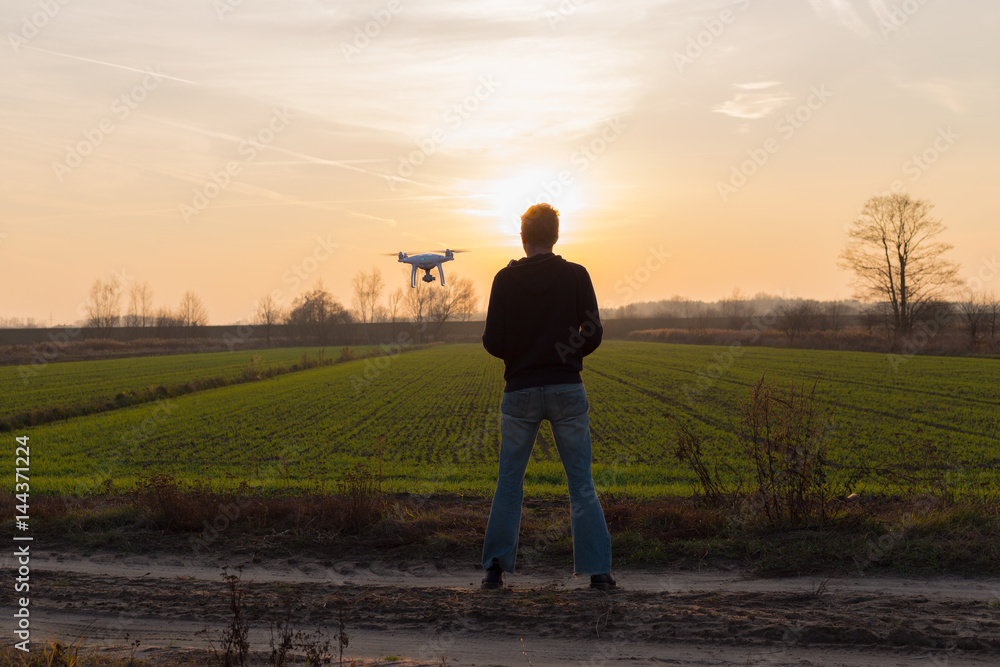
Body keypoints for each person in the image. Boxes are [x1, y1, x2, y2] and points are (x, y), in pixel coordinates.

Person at [480, 203, 615, 591]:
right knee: (581, 483)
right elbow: (594, 332)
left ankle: (494, 570)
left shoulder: (504, 280)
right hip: (567, 389)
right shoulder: (576, 275)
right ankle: (599, 572)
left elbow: (492, 341)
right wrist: (568, 357)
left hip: (519, 391)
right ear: (556, 236)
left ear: (522, 238)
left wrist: (520, 357)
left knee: (509, 482)